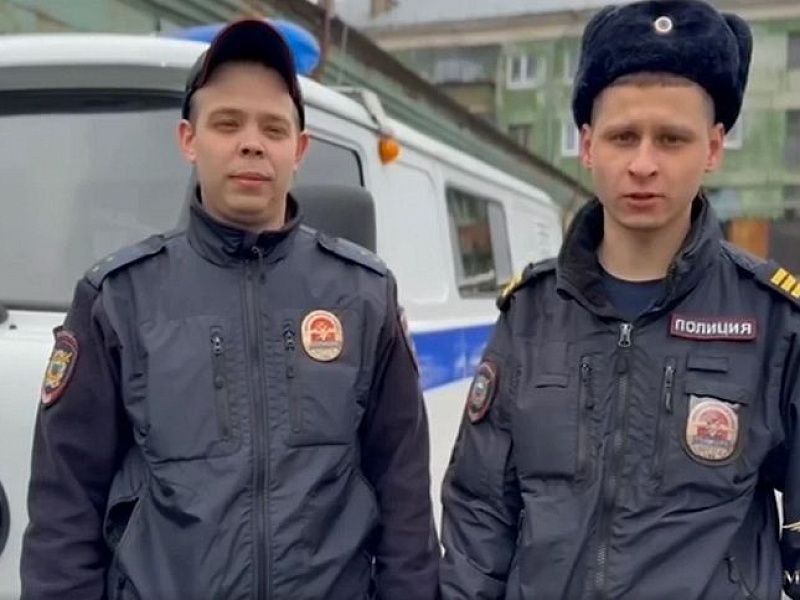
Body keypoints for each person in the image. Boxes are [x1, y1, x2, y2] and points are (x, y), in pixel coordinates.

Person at [21, 19, 439, 600]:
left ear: (299, 150)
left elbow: (405, 502)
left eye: (273, 127)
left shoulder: (364, 294)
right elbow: (64, 512)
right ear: (188, 139)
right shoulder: (117, 299)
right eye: (227, 123)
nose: (251, 143)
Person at [439, 1, 800, 598]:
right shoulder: (531, 314)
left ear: (713, 148)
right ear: (587, 145)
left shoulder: (773, 322)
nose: (643, 164)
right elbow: (480, 516)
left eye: (672, 139)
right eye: (623, 136)